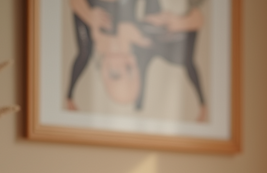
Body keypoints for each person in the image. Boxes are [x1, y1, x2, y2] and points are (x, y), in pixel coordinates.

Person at [66, 0, 208, 121]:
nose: (126, 61)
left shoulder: (91, 43)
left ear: (103, 70)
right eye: (130, 69)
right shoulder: (148, 39)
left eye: (115, 74)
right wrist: (179, 23)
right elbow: (198, 18)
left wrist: (88, 16)